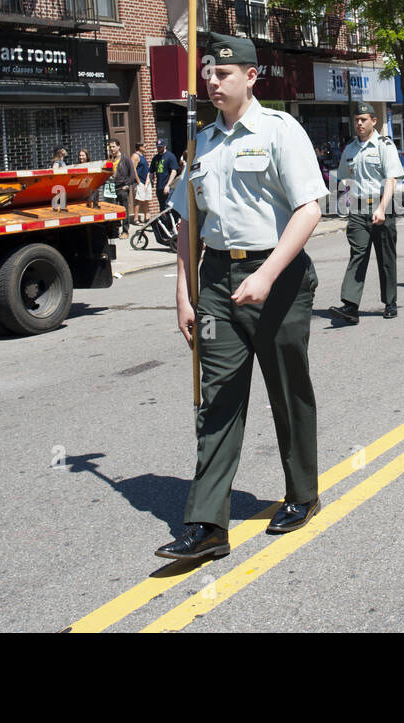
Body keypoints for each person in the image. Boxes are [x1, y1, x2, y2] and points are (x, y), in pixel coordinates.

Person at [157, 33, 327, 563]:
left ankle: (302, 493)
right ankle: (208, 523)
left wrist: (269, 274)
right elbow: (188, 225)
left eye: (223, 73)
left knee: (287, 389)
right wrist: (183, 296)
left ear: (251, 77)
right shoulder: (200, 143)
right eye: (207, 72)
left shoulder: (281, 131)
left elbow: (310, 209)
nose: (212, 80)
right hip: (216, 282)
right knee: (217, 399)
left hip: (276, 277)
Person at [329, 102, 403, 322]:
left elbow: (391, 179)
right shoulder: (350, 149)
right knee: (357, 254)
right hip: (358, 209)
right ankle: (350, 305)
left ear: (374, 121)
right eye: (356, 120)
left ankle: (390, 302)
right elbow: (342, 180)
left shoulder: (384, 146)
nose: (359, 124)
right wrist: (341, 203)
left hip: (382, 205)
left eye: (363, 120)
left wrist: (382, 207)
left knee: (386, 257)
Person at [150, 139, 180, 212]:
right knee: (162, 208)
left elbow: (174, 171)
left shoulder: (170, 156)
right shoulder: (155, 158)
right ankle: (164, 222)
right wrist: (151, 180)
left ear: (165, 146)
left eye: (161, 147)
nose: (159, 148)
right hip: (159, 187)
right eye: (158, 147)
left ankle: (170, 223)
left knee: (168, 207)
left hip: (168, 187)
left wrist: (168, 185)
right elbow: (151, 171)